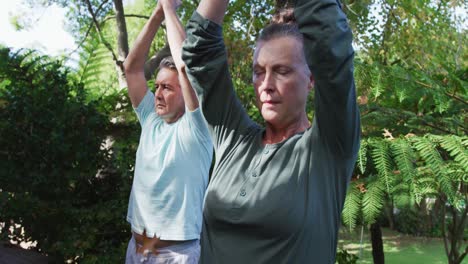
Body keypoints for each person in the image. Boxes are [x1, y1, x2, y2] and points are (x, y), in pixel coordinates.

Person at [181, 0, 360, 263]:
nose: (266, 85)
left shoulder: (328, 149)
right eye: (258, 72)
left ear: (311, 78)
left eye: (282, 71)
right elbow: (199, 50)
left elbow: (331, 46)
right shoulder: (234, 140)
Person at [123, 0, 213, 263]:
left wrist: (171, 10)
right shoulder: (150, 118)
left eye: (167, 88)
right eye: (157, 86)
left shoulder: (197, 128)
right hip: (137, 250)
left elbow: (186, 68)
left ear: (185, 94)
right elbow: (132, 68)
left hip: (176, 255)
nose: (158, 94)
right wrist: (158, 12)